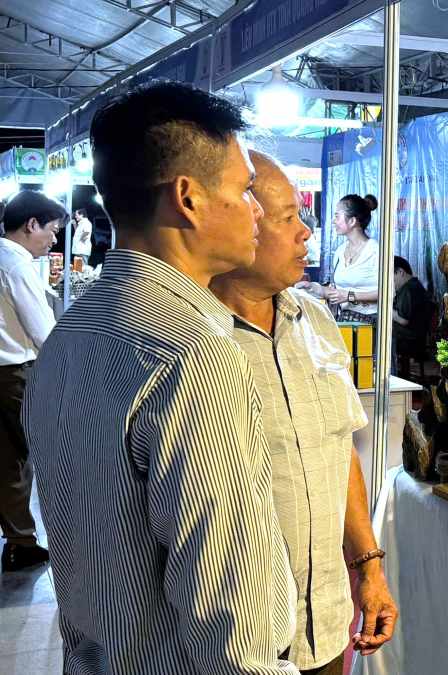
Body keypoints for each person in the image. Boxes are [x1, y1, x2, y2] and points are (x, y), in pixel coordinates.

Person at [22, 80, 300, 673]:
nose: (256, 211)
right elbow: (228, 608)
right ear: (188, 198)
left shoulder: (70, 335)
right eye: (244, 190)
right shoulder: (194, 352)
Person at [210, 150, 397, 674]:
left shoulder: (313, 319)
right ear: (240, 220)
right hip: (239, 639)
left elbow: (340, 450)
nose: (306, 234)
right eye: (289, 218)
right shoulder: (196, 339)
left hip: (330, 619)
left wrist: (367, 568)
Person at [0, 190, 63, 572]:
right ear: (31, 225)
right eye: (51, 230)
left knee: (7, 460)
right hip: (15, 377)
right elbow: (45, 333)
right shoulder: (17, 265)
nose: (53, 240)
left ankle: (20, 541)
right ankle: (32, 541)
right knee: (33, 458)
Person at [320, 193, 379, 322]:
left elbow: (387, 293)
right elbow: (336, 290)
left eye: (337, 216)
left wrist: (350, 296)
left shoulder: (376, 251)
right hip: (345, 320)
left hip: (371, 323)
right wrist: (316, 289)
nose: (334, 221)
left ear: (352, 221)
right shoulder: (340, 251)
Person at [391, 255, 432, 378]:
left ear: (400, 272)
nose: (390, 282)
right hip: (417, 338)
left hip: (409, 339)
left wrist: (385, 308)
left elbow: (403, 320)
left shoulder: (409, 289)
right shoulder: (415, 285)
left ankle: (390, 374)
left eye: (391, 277)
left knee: (378, 332)